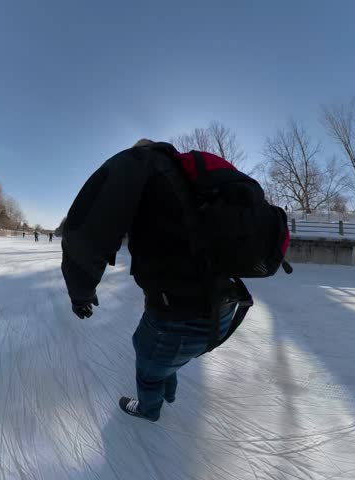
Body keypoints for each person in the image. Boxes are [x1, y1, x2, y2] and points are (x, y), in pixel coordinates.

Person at [62, 139, 287, 422]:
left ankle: (148, 409)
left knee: (148, 366)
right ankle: (169, 393)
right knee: (166, 357)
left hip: (178, 315)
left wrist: (80, 290)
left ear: (143, 148)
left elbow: (89, 229)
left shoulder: (140, 163)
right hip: (222, 307)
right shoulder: (193, 180)